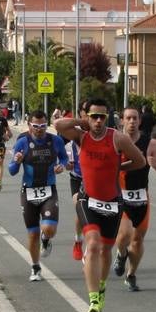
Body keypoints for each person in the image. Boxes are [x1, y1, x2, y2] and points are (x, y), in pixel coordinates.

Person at [54, 98, 146, 312]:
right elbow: (58, 125)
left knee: (106, 250)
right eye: (93, 116)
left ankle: (102, 288)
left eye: (101, 117)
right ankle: (93, 299)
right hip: (88, 199)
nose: (97, 121)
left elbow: (140, 161)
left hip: (113, 201)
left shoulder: (117, 138)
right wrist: (81, 121)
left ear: (107, 118)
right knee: (93, 244)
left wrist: (118, 167)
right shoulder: (81, 137)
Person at [113, 106, 156, 291]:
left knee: (137, 240)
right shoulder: (114, 141)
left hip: (141, 198)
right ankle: (121, 254)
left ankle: (131, 275)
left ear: (139, 121)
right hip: (120, 197)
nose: (131, 122)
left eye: (135, 118)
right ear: (121, 120)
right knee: (124, 235)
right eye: (128, 118)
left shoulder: (150, 144)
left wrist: (155, 164)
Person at [8, 110, 69, 283]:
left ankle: (46, 238)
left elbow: (64, 158)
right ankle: (35, 267)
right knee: (33, 233)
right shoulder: (22, 142)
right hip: (28, 191)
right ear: (29, 125)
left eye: (43, 126)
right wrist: (17, 162)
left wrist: (62, 166)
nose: (40, 129)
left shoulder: (55, 141)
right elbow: (12, 171)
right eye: (36, 126)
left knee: (48, 228)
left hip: (49, 190)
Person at [66, 99, 92, 262]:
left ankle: (90, 249)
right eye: (85, 116)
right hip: (78, 178)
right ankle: (78, 240)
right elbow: (59, 124)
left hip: (96, 180)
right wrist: (66, 164)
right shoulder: (74, 135)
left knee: (95, 215)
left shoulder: (102, 132)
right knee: (80, 209)